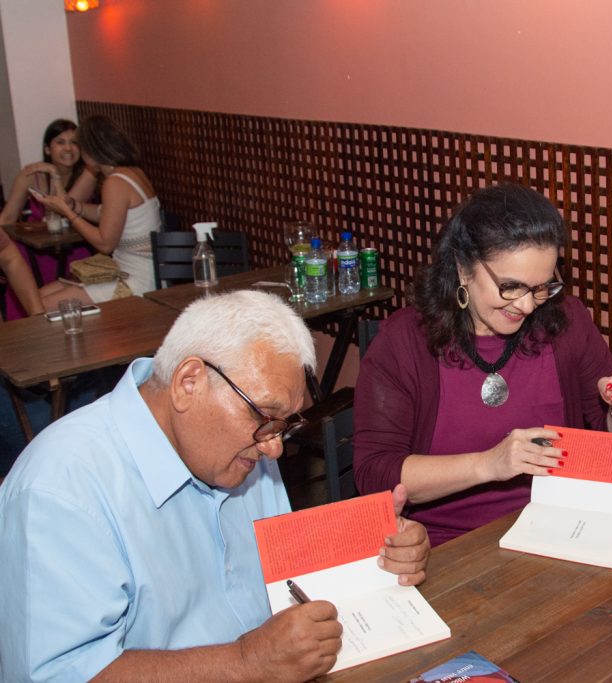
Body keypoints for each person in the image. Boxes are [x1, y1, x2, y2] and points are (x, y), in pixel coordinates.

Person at [0, 290, 431, 681]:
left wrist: (378, 550)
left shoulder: (242, 447)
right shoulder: (60, 489)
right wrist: (245, 663)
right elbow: (57, 675)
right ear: (189, 382)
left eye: (285, 424)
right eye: (265, 417)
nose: (275, 448)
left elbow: (282, 572)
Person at [354, 183, 612, 546]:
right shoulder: (404, 342)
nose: (527, 306)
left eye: (542, 287)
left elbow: (611, 448)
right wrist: (488, 465)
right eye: (511, 287)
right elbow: (374, 474)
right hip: (445, 546)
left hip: (559, 527)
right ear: (463, 268)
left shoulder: (566, 322)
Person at [35, 114, 160, 306]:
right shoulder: (131, 171)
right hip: (130, 270)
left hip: (137, 280)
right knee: (38, 296)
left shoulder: (115, 182)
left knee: (44, 305)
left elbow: (104, 244)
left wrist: (68, 213)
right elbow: (107, 214)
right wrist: (74, 206)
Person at [0, 118, 97, 319]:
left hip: (75, 247)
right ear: (47, 149)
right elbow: (7, 217)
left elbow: (64, 207)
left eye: (74, 142)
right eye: (60, 142)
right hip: (36, 249)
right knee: (17, 255)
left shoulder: (88, 174)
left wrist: (55, 175)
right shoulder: (30, 175)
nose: (68, 148)